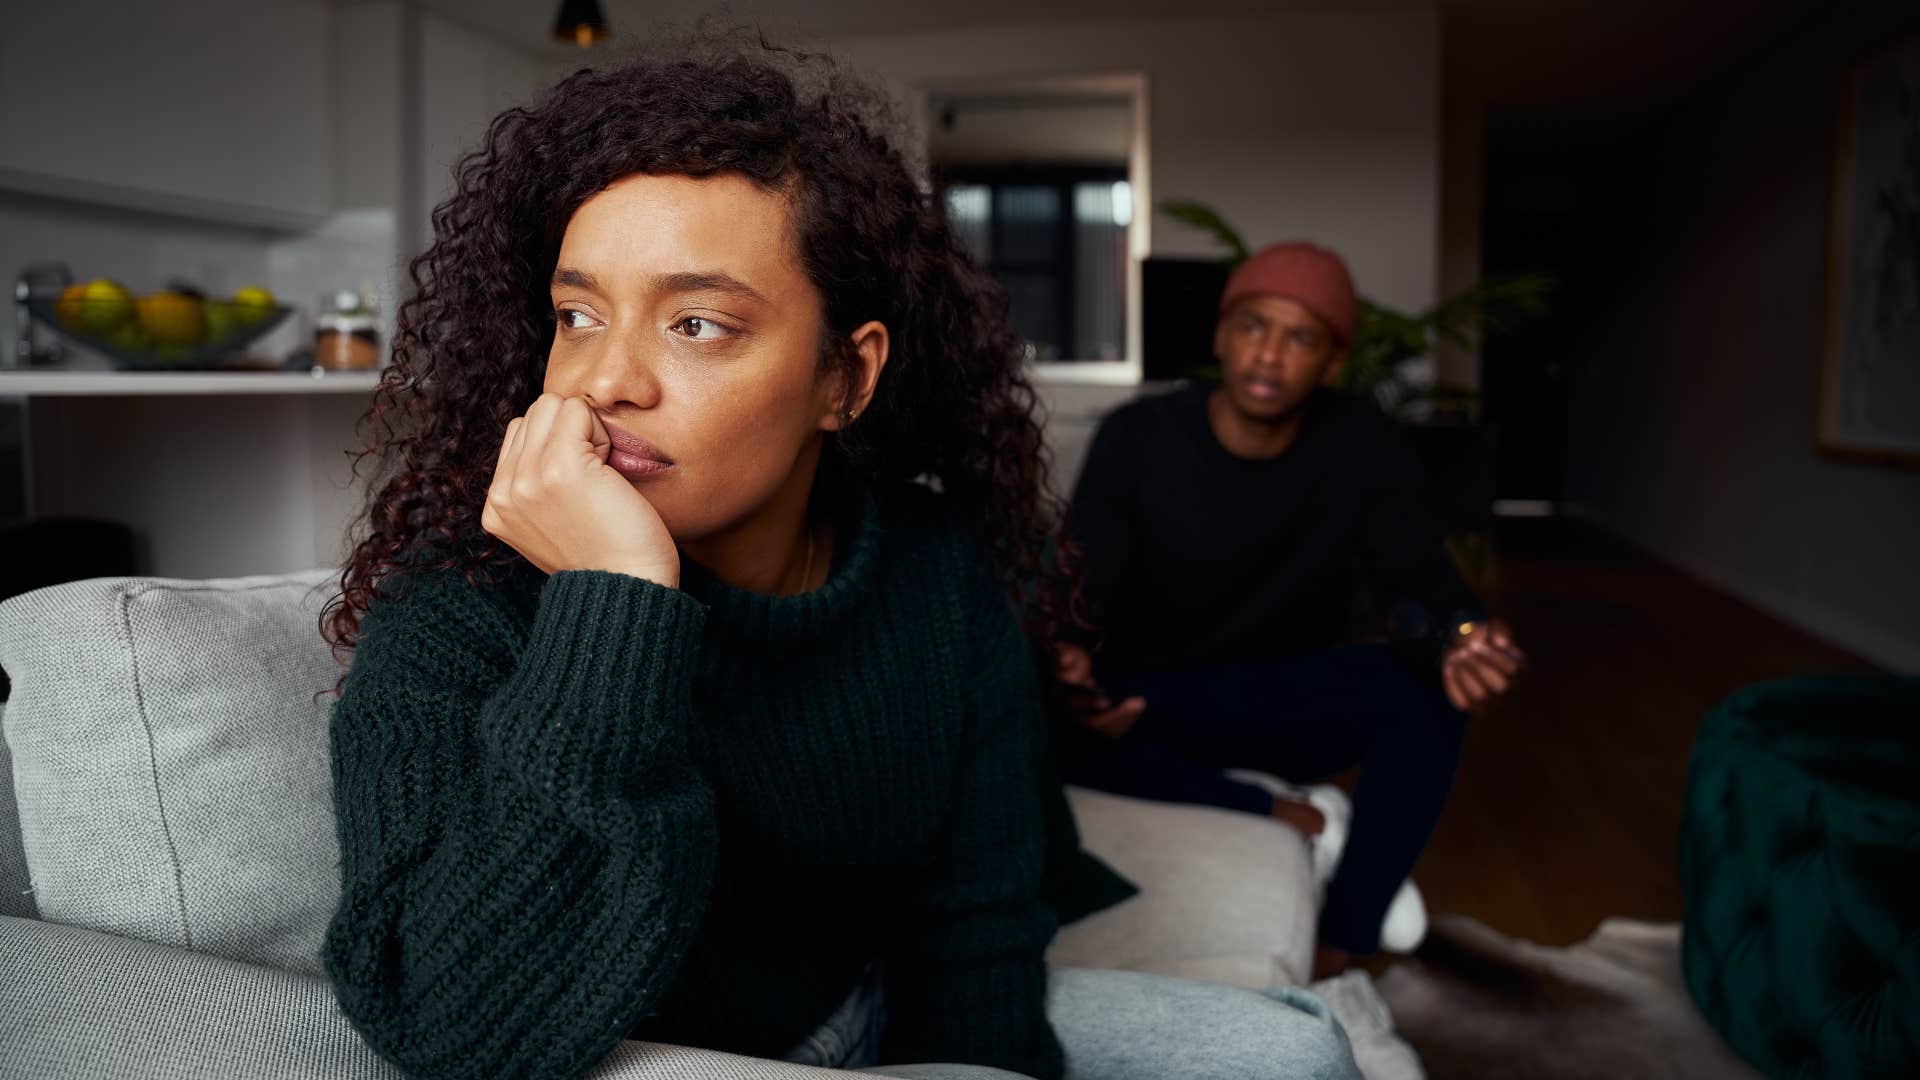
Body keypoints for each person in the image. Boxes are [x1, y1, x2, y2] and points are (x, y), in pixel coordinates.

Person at [319, 41, 1361, 1080]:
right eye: (577, 315)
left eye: (698, 323)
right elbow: (454, 1032)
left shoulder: (935, 578)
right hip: (652, 1054)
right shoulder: (460, 597)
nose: (604, 381)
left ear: (845, 379)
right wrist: (614, 605)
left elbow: (978, 927)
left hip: (868, 1015)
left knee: (1301, 1052)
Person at [1056, 241, 1526, 980]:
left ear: (1332, 362)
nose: (1269, 355)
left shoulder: (1361, 443)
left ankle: (1345, 936)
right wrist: (1069, 664)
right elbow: (1082, 586)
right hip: (1158, 698)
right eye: (1252, 327)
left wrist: (1460, 635)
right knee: (1034, 705)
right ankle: (1259, 807)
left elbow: (1418, 582)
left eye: (1300, 337)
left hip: (1283, 695)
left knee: (1428, 690)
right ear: (1220, 337)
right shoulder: (1138, 438)